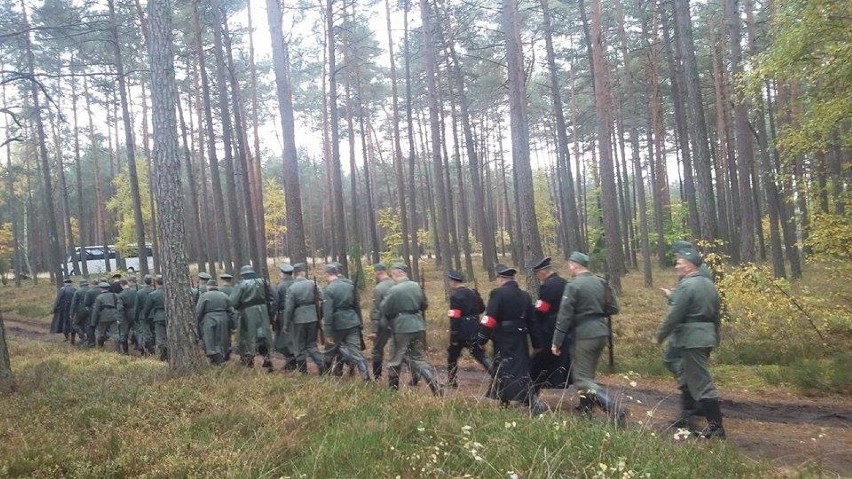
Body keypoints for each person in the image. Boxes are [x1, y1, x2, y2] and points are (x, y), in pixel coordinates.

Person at [656, 249, 725, 439]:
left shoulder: (687, 285)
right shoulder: (709, 284)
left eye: (680, 262)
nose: (677, 265)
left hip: (692, 338)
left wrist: (660, 335)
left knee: (701, 381)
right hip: (706, 336)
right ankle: (688, 416)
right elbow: (716, 314)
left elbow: (674, 315)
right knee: (687, 376)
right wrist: (715, 336)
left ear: (691, 265)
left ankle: (716, 425)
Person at [551, 251, 625, 424]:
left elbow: (564, 315)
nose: (569, 267)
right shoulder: (601, 282)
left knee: (581, 378)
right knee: (587, 375)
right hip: (601, 331)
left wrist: (557, 341)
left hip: (584, 335)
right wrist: (596, 313)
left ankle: (614, 408)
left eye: (570, 264)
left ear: (575, 265)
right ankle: (586, 409)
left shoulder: (574, 286)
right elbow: (614, 308)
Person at [476, 264, 547, 415]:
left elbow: (490, 319)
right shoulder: (525, 295)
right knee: (518, 369)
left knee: (505, 369)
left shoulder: (498, 294)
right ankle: (504, 401)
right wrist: (537, 343)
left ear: (501, 278)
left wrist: (482, 340)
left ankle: (532, 402)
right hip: (520, 337)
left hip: (503, 337)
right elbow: (532, 322)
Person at [380, 262, 443, 396]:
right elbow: (424, 305)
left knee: (395, 359)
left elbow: (384, 308)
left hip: (402, 327)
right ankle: (434, 384)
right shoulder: (416, 286)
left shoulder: (394, 290)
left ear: (396, 273)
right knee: (418, 358)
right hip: (418, 325)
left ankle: (392, 392)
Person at [528, 257, 571, 392]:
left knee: (539, 361)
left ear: (544, 271)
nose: (536, 276)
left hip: (549, 327)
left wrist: (532, 318)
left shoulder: (547, 286)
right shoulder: (565, 283)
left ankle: (531, 394)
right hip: (566, 325)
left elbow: (542, 309)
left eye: (537, 273)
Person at [445, 270, 492, 388]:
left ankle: (452, 381)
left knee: (452, 355)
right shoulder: (473, 292)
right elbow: (482, 308)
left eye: (450, 281)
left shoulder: (455, 296)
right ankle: (496, 374)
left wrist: (454, 336)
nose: (449, 283)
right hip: (475, 326)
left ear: (453, 282)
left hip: (461, 329)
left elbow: (454, 317)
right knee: (480, 354)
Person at [322, 264, 369, 381]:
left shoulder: (328, 290)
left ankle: (325, 377)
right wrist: (360, 322)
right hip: (353, 322)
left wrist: (327, 333)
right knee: (356, 353)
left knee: (329, 352)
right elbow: (356, 306)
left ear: (327, 274)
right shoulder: (349, 286)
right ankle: (367, 378)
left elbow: (328, 313)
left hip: (337, 325)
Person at [282, 263, 327, 374]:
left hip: (298, 320)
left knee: (299, 346)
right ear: (303, 272)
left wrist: (286, 324)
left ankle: (303, 372)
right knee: (312, 345)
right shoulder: (313, 283)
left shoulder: (292, 288)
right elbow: (322, 297)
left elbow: (289, 309)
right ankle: (322, 366)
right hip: (313, 317)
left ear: (294, 274)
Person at [230, 265, 274, 370]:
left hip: (248, 312)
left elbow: (233, 301)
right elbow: (271, 297)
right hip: (263, 311)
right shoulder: (263, 282)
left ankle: (248, 360)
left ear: (243, 275)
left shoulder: (242, 284)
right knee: (263, 336)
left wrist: (238, 307)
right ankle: (267, 357)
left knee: (246, 336)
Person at [368, 263, 394, 379]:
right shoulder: (396, 284)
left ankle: (377, 375)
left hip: (383, 323)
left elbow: (376, 310)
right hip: (398, 322)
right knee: (400, 349)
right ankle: (415, 375)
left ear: (377, 273)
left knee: (377, 349)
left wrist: (374, 329)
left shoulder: (378, 288)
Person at [196, 279, 231, 365]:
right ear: (216, 286)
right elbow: (231, 310)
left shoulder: (204, 296)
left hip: (209, 319)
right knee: (222, 339)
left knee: (210, 340)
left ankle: (214, 359)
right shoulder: (224, 296)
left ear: (208, 287)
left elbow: (199, 311)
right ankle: (222, 357)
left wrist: (197, 322)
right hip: (224, 318)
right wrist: (232, 324)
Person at [274, 263, 296, 369]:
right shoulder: (296, 283)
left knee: (283, 339)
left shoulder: (280, 286)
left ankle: (291, 360)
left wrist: (274, 315)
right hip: (297, 314)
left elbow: (276, 302)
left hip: (284, 314)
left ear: (283, 274)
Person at [90, 281, 124, 350]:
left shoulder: (99, 298)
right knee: (115, 333)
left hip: (103, 317)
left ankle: (100, 348)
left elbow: (96, 311)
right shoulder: (115, 295)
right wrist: (119, 317)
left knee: (100, 333)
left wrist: (93, 322)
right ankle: (118, 349)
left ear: (101, 289)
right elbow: (120, 306)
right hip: (114, 316)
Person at [142, 276, 167, 361]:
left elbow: (147, 309)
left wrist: (145, 318)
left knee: (161, 338)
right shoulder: (170, 292)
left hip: (159, 317)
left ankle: (164, 357)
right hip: (170, 316)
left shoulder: (153, 294)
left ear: (156, 283)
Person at [134, 275, 155, 355]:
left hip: (143, 315)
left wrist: (135, 318)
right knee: (154, 332)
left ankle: (149, 351)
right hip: (154, 315)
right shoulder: (154, 290)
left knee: (146, 333)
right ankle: (154, 347)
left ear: (144, 281)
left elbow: (136, 307)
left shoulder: (139, 292)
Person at [117, 279, 138, 355]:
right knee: (136, 331)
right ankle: (140, 347)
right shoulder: (135, 292)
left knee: (124, 334)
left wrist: (119, 318)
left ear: (121, 285)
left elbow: (120, 308)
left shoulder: (121, 295)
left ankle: (125, 352)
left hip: (126, 315)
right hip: (135, 313)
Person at [218, 273, 236, 361]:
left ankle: (224, 352)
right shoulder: (234, 289)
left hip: (224, 314)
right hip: (234, 314)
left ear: (222, 280)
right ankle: (229, 348)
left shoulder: (219, 291)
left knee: (223, 335)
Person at [69, 280, 90, 345]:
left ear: (81, 285)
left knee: (74, 324)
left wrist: (71, 313)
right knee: (87, 324)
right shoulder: (91, 290)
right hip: (89, 310)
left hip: (80, 311)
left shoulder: (78, 291)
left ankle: (82, 336)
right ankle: (89, 339)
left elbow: (74, 303)